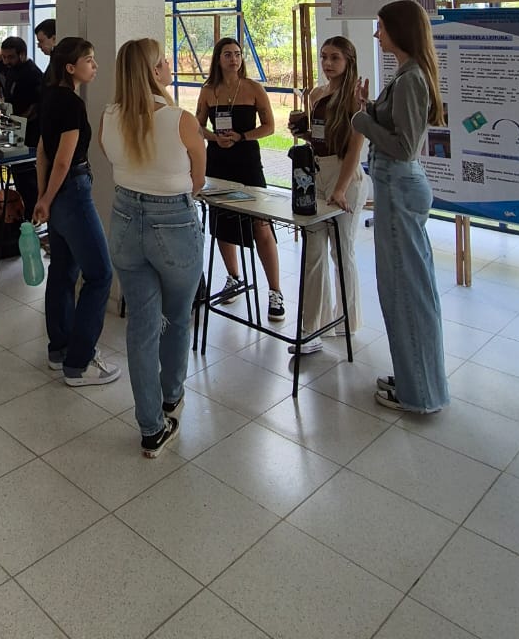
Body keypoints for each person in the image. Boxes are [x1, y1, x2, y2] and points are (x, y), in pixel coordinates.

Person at [100, 39, 205, 457]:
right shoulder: (181, 120)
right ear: (154, 70)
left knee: (141, 326)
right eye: (163, 60)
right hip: (173, 221)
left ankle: (151, 427)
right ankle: (170, 398)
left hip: (124, 220)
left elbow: (115, 161)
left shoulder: (108, 116)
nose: (168, 65)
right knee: (177, 318)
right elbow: (197, 180)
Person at [352, 0, 450, 414]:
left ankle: (418, 394)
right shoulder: (407, 74)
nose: (377, 34)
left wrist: (362, 121)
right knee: (402, 288)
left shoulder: (411, 79)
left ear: (399, 29)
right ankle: (414, 377)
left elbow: (405, 146)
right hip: (395, 186)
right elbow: (397, 128)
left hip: (399, 185)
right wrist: (370, 108)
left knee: (405, 291)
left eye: (381, 27)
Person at [33, 36, 119, 387]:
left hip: (57, 194)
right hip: (73, 192)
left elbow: (42, 153)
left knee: (63, 270)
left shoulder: (49, 97)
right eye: (89, 60)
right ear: (70, 67)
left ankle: (59, 350)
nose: (95, 66)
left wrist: (43, 197)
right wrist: (47, 198)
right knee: (100, 275)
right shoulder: (71, 103)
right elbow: (63, 160)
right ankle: (79, 363)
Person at [195, 37, 285, 322]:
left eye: (237, 54)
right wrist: (214, 138)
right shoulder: (208, 90)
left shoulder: (253, 88)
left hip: (247, 163)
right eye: (227, 54)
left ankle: (275, 290)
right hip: (218, 162)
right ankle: (233, 277)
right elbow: (197, 126)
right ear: (218, 59)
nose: (234, 59)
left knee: (261, 223)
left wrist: (242, 136)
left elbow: (269, 126)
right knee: (222, 222)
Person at [286, 37, 366, 353]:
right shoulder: (317, 94)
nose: (328, 63)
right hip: (317, 172)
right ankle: (312, 326)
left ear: (348, 61)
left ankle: (346, 320)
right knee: (314, 250)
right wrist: (302, 133)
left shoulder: (354, 96)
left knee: (341, 252)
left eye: (335, 58)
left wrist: (341, 188)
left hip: (345, 174)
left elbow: (355, 146)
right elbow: (320, 137)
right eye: (324, 57)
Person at [0, 36, 44, 121]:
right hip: (13, 119)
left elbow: (36, 104)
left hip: (28, 123)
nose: (6, 61)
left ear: (22, 55)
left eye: (11, 57)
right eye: (4, 57)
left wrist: (20, 120)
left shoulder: (33, 73)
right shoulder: (11, 68)